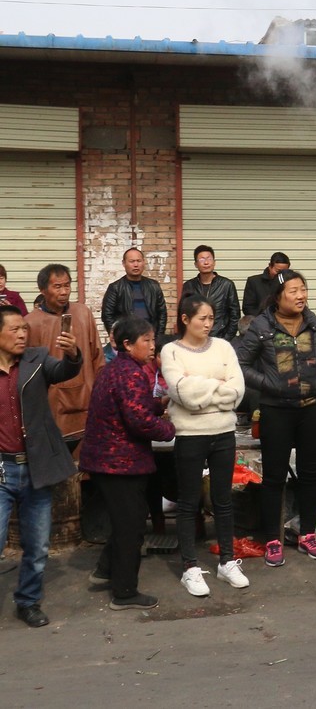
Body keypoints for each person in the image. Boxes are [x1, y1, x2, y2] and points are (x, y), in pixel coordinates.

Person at [236, 270, 316, 567]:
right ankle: (272, 539)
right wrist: (268, 383)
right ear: (278, 296)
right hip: (276, 411)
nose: (300, 295)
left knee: (309, 475)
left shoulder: (315, 324)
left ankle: (308, 534)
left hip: (312, 408)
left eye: (303, 289)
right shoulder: (262, 326)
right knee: (273, 478)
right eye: (293, 291)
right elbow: (241, 363)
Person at [79, 317, 176, 611]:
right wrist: (171, 429)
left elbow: (134, 406)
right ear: (127, 344)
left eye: (152, 339)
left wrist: (158, 405)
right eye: (145, 340)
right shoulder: (130, 374)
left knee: (126, 521)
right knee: (131, 527)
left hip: (109, 460)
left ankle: (104, 572)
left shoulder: (119, 369)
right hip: (118, 462)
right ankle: (124, 592)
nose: (151, 346)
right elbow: (139, 421)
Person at [160, 297, 248, 597]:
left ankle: (226, 561)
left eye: (211, 318)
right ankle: (190, 567)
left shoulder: (224, 347)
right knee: (188, 502)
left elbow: (237, 391)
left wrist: (201, 388)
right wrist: (216, 384)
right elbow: (181, 391)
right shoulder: (170, 351)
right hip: (189, 434)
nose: (208, 324)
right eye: (202, 318)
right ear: (185, 319)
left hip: (223, 432)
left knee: (223, 500)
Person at [0, 304, 81, 627]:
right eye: (14, 330)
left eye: (24, 329)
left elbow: (64, 372)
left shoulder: (36, 359)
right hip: (2, 470)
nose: (22, 334)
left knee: (38, 544)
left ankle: (28, 601)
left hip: (35, 468)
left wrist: (73, 354)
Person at [25, 264, 105, 440]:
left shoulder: (83, 313)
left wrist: (102, 392)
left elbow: (97, 356)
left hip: (87, 395)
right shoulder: (30, 323)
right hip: (52, 402)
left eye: (67, 285)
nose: (64, 292)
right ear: (43, 290)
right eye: (57, 286)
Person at [101, 248, 168, 337]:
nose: (136, 265)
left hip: (150, 335)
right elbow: (107, 315)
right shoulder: (115, 288)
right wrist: (118, 337)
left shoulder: (154, 286)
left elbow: (162, 313)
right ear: (124, 263)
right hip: (127, 337)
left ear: (144, 262)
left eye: (139, 261)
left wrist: (158, 337)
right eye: (132, 261)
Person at [180, 245, 241, 342]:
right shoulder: (189, 285)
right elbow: (183, 313)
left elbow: (235, 315)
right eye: (202, 259)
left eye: (209, 259)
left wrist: (226, 339)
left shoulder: (227, 285)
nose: (206, 262)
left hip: (219, 337)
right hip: (195, 338)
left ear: (214, 262)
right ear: (195, 264)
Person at [242, 252, 290, 318]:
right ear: (270, 266)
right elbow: (248, 308)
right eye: (278, 271)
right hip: (261, 323)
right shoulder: (254, 282)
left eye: (284, 272)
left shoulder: (290, 283)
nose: (280, 275)